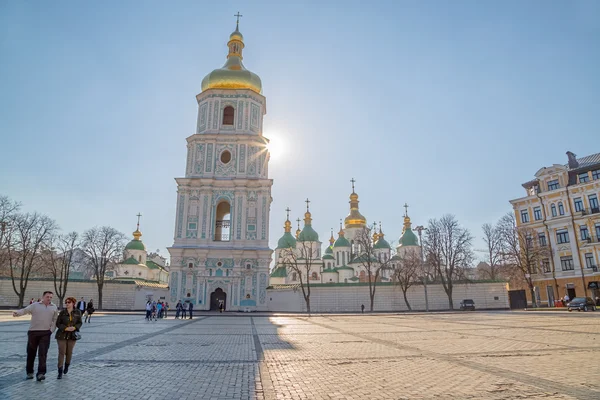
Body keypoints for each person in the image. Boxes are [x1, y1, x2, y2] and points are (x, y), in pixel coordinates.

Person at [12, 291, 58, 381]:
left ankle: (41, 373)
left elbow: (55, 319)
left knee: (43, 354)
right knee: (31, 353)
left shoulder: (54, 307)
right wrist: (17, 313)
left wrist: (51, 330)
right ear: (43, 297)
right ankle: (29, 372)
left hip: (45, 333)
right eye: (47, 297)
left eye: (51, 297)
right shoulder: (35, 305)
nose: (49, 298)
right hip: (33, 332)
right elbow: (25, 310)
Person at [55, 297, 82, 379]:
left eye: (69, 302)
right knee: (61, 352)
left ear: (73, 303)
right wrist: (65, 328)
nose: (67, 303)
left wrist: (75, 327)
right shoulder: (62, 312)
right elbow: (58, 323)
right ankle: (60, 371)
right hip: (62, 335)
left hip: (72, 335)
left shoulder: (77, 312)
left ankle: (66, 366)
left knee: (69, 352)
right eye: (66, 302)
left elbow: (79, 322)